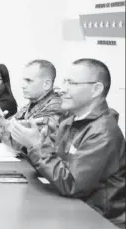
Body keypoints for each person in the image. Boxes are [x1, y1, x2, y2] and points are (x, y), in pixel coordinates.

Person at [9, 58, 125, 228]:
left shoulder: (103, 132)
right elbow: (49, 164)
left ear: (96, 89)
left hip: (99, 220)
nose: (62, 89)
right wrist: (31, 141)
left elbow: (71, 184)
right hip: (73, 210)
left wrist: (36, 146)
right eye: (64, 81)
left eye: (71, 83)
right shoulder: (70, 121)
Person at [0, 60, 62, 152]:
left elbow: (20, 142)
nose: (23, 86)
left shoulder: (55, 107)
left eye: (28, 81)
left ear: (46, 84)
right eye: (23, 80)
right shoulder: (30, 105)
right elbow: (2, 134)